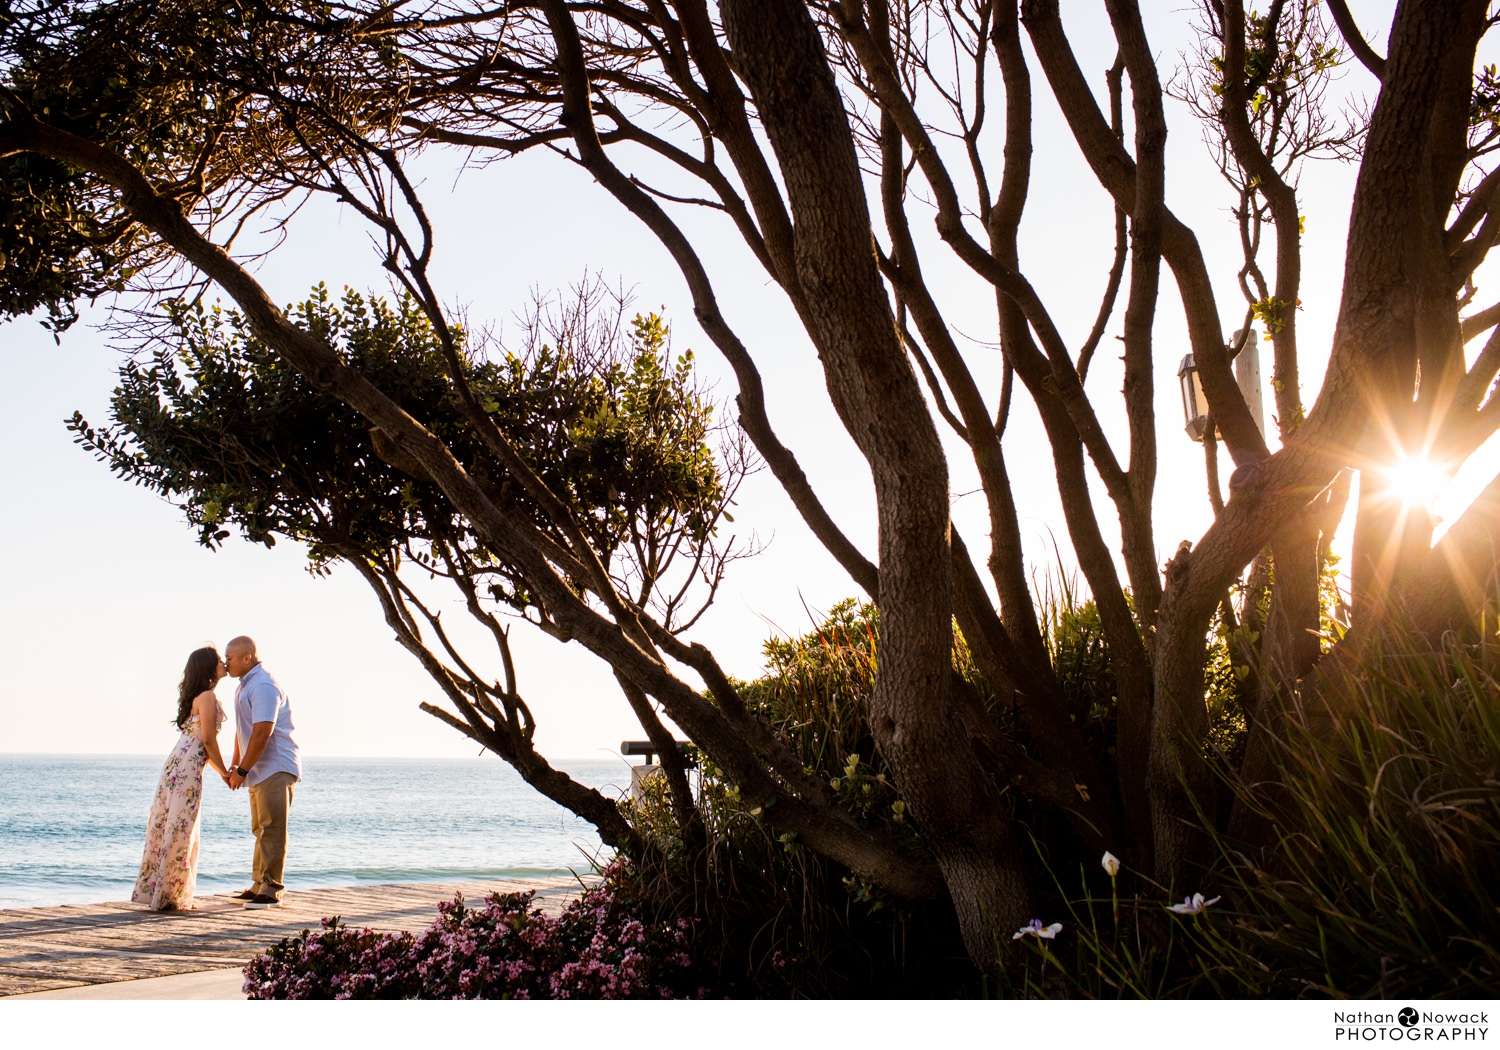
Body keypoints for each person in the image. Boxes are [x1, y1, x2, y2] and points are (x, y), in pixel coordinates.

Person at [132, 646, 230, 912]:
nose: (225, 663)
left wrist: (220, 770)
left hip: (180, 762)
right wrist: (225, 773)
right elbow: (208, 740)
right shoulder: (207, 696)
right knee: (180, 827)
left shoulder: (200, 696)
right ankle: (170, 895)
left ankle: (166, 891)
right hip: (186, 768)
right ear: (209, 667)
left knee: (174, 825)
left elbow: (202, 742)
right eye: (220, 660)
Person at [224, 635, 301, 909]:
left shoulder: (264, 684)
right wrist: (235, 765)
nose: (225, 662)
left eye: (229, 658)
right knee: (260, 828)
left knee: (272, 828)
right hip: (257, 768)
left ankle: (271, 889)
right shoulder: (245, 685)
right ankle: (259, 884)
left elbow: (262, 732)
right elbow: (243, 729)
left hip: (275, 765)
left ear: (247, 657)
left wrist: (243, 769)